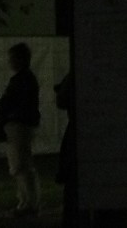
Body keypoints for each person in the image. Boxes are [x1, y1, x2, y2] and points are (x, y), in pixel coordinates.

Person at [0, 42, 41, 217]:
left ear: (20, 59)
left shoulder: (22, 80)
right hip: (20, 125)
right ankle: (27, 202)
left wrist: (0, 121)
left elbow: (5, 104)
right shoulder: (26, 79)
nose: (9, 62)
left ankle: (28, 203)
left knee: (20, 165)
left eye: (12, 58)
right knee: (21, 164)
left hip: (19, 126)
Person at [55, 73, 77, 228]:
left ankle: (72, 218)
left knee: (73, 178)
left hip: (77, 130)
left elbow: (61, 100)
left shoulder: (74, 75)